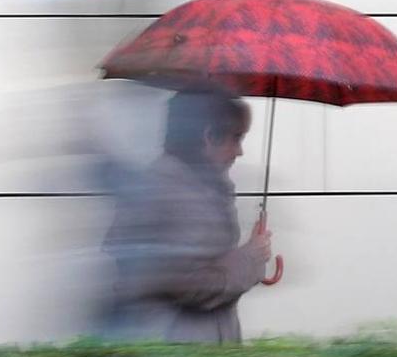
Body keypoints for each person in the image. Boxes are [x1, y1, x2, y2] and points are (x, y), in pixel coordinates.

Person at [101, 90, 272, 343]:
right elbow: (193, 287)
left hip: (194, 350)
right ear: (208, 136)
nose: (239, 151)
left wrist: (252, 261)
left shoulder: (199, 186)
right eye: (235, 139)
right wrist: (250, 258)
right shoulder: (169, 192)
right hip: (178, 354)